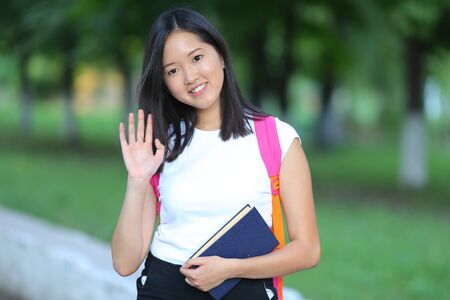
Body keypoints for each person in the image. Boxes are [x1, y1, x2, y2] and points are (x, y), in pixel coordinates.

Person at [111, 7, 320, 300]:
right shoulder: (161, 146)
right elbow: (124, 263)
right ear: (165, 82)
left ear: (220, 55)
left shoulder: (276, 138)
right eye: (173, 70)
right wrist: (136, 181)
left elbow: (307, 250)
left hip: (244, 288)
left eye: (197, 57)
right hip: (164, 287)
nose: (190, 76)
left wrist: (230, 269)